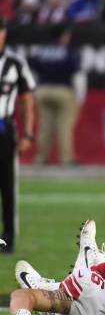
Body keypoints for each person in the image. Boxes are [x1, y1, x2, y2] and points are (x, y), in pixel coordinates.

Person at [0, 17, 36, 254]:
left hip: (4, 130)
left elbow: (27, 100)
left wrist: (29, 133)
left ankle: (8, 240)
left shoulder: (14, 63)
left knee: (7, 187)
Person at [30, 25, 83, 166]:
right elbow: (78, 76)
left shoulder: (40, 51)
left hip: (43, 90)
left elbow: (32, 74)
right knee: (64, 127)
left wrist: (34, 92)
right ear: (64, 35)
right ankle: (66, 159)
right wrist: (79, 98)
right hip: (63, 90)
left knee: (45, 127)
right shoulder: (69, 51)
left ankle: (41, 159)